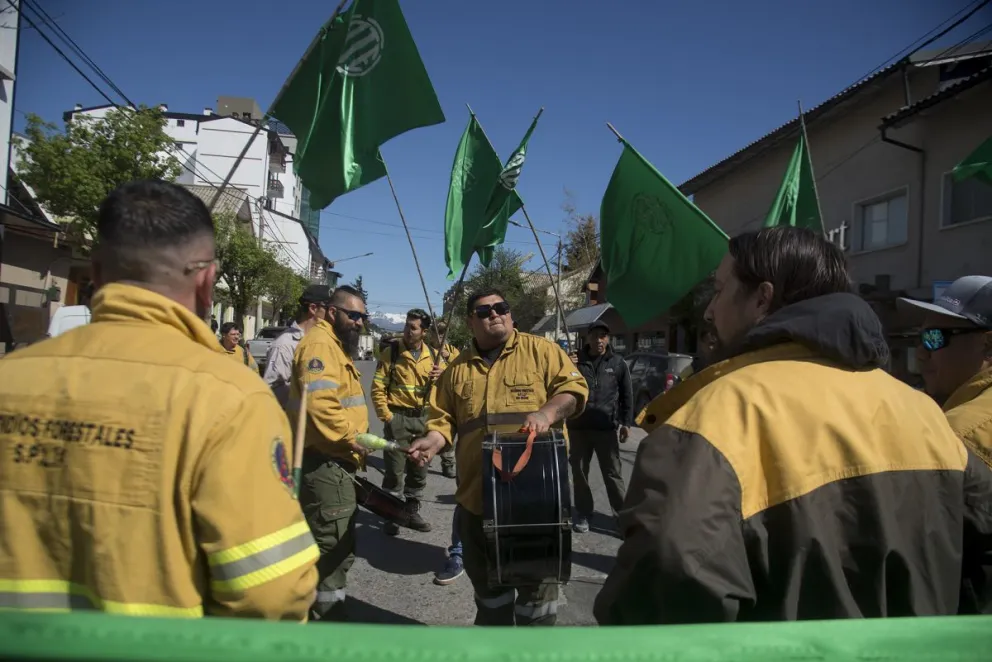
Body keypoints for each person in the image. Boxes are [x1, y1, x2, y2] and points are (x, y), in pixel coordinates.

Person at [595, 226, 992, 625]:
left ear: (762, 298)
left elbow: (662, 599)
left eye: (718, 290)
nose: (709, 311)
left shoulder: (717, 415)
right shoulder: (925, 414)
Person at [0, 179, 318, 619]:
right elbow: (272, 592)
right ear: (207, 281)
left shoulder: (8, 377)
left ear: (94, 272)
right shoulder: (231, 397)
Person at [407, 289, 589, 626]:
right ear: (470, 321)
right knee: (491, 602)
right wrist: (432, 441)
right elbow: (442, 419)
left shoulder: (542, 351)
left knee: (537, 605)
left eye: (501, 307)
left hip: (537, 508)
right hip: (478, 505)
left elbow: (574, 392)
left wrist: (547, 414)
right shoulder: (456, 369)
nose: (495, 314)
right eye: (484, 310)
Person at [897, 276, 992, 613]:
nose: (921, 353)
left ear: (987, 346)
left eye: (935, 338)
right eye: (919, 338)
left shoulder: (960, 434)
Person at [289, 285, 370, 623]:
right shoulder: (321, 344)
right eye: (354, 315)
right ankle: (327, 622)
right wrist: (352, 438)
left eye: (363, 317)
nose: (360, 323)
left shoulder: (334, 345)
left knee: (334, 541)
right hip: (327, 461)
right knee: (330, 548)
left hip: (335, 460)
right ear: (331, 312)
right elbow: (321, 406)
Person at [371, 308, 437, 535]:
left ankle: (411, 510)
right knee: (393, 471)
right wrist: (387, 417)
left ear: (424, 332)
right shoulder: (392, 352)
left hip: (424, 420)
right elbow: (377, 387)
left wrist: (441, 377)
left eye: (413, 327)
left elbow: (444, 392)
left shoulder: (434, 357)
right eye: (407, 325)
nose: (407, 331)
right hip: (398, 418)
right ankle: (391, 514)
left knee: (419, 469)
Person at [568, 320, 632, 534]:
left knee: (613, 475)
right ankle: (584, 514)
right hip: (578, 427)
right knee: (580, 473)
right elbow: (559, 386)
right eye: (595, 336)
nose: (599, 340)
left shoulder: (618, 363)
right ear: (588, 338)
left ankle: (622, 518)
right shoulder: (575, 360)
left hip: (606, 428)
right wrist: (567, 365)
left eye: (603, 336)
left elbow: (626, 395)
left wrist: (626, 423)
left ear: (608, 338)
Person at [263, 284, 334, 408]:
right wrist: (308, 396)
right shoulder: (285, 344)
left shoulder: (325, 341)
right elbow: (272, 390)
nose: (333, 314)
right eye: (328, 309)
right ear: (313, 308)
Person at [429, 319, 461, 480]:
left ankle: (448, 463)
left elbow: (461, 374)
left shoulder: (453, 352)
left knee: (447, 433)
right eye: (437, 334)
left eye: (443, 334)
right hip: (426, 398)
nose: (440, 338)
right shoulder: (424, 350)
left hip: (445, 398)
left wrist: (446, 369)